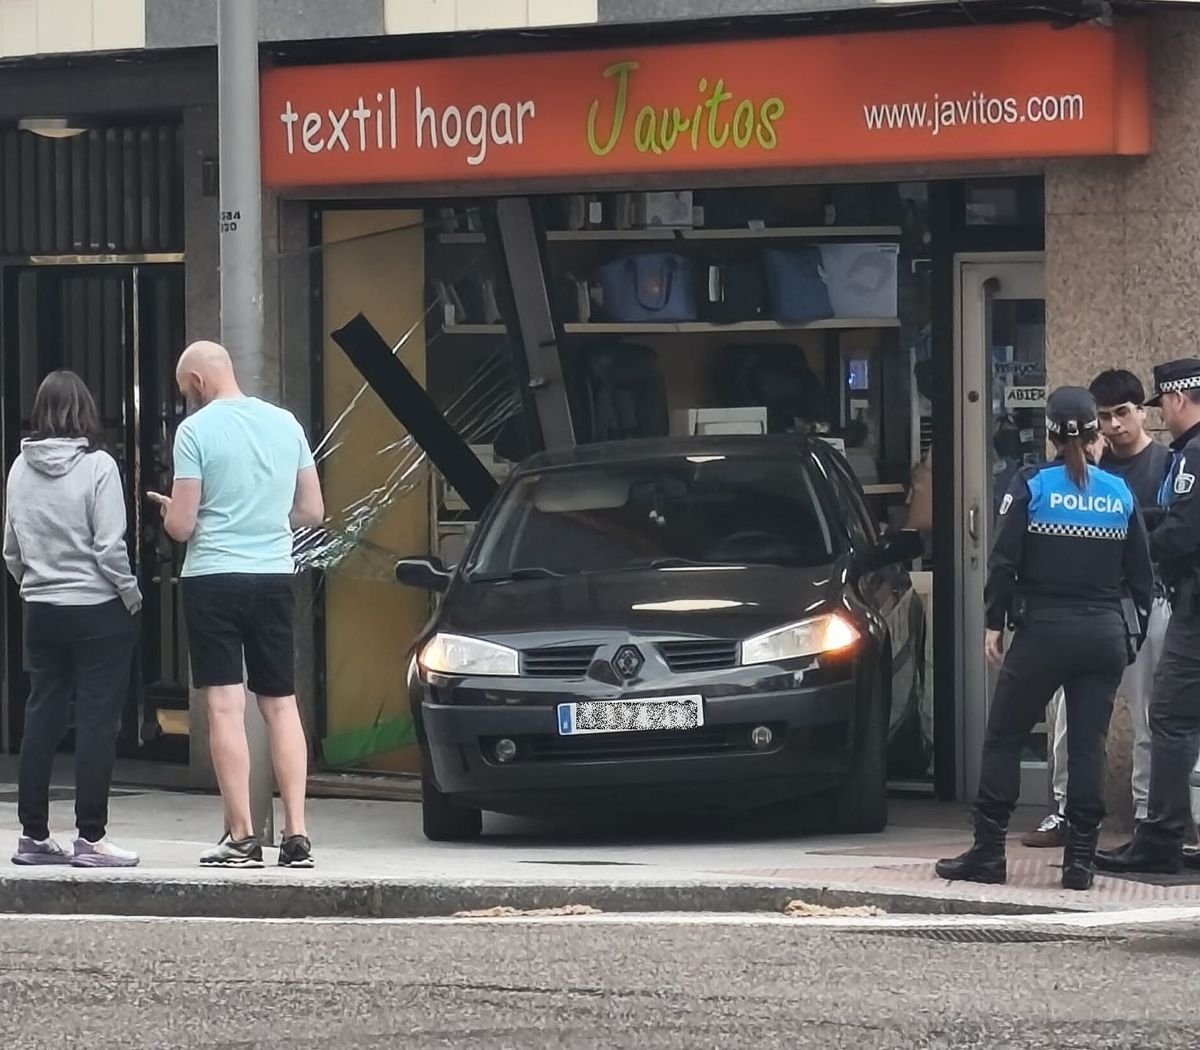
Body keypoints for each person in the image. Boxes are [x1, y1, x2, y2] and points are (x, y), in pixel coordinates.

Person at [936, 387, 1154, 891]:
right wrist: (1132, 635)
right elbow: (1141, 578)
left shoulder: (1031, 484)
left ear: (1049, 434)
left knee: (1004, 736)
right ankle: (1080, 862)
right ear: (1097, 436)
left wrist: (994, 623)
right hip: (1102, 635)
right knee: (1088, 744)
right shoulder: (1119, 492)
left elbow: (1003, 562)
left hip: (1044, 633)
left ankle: (989, 852)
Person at [148, 341, 325, 869]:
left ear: (198, 382)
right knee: (281, 704)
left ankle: (243, 838)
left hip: (213, 579)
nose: (187, 398)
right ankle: (297, 835)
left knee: (226, 707)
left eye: (185, 389)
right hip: (273, 576)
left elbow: (183, 525)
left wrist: (169, 513)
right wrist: (264, 520)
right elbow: (312, 510)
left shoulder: (194, 431)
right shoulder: (286, 424)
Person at [1023, 369, 1173, 848]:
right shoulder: (1083, 467)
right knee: (1071, 717)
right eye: (1104, 417)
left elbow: (1167, 532)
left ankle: (1147, 814)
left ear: (1142, 412)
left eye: (1123, 413)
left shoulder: (1165, 464)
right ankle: (1066, 810)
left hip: (1144, 602)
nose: (1114, 425)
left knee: (1148, 713)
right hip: (1092, 608)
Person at [3, 371, 142, 868]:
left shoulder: (19, 468)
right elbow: (109, 546)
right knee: (96, 722)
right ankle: (91, 837)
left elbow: (11, 549)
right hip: (97, 608)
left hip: (40, 610)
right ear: (86, 409)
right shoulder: (98, 466)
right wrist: (130, 594)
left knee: (41, 717)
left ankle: (33, 835)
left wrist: (35, 584)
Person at [1097, 359, 1200, 875]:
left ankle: (1160, 839)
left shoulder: (1193, 454)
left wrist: (1132, 550)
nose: (1163, 415)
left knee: (1170, 717)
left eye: (1163, 405)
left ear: (1177, 399)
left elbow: (1183, 531)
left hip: (1193, 605)